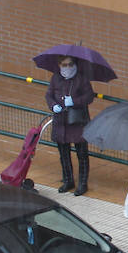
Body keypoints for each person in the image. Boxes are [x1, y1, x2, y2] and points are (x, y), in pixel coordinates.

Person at [44, 56, 95, 195]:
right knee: (64, 154)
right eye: (64, 65)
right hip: (61, 122)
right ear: (59, 65)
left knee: (82, 154)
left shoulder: (81, 79)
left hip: (78, 121)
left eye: (70, 64)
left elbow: (90, 96)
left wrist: (74, 101)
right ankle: (68, 180)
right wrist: (53, 105)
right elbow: (49, 95)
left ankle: (82, 183)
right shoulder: (56, 78)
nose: (67, 67)